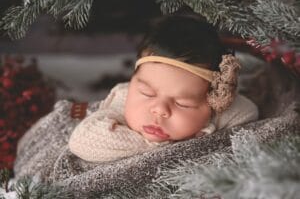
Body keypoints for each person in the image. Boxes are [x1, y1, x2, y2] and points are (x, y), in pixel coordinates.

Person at [68, 13, 258, 163]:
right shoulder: (123, 97)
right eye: (147, 93)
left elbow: (248, 113)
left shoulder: (220, 109)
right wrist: (160, 146)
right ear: (134, 82)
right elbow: (82, 140)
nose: (159, 110)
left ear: (214, 102)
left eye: (183, 103)